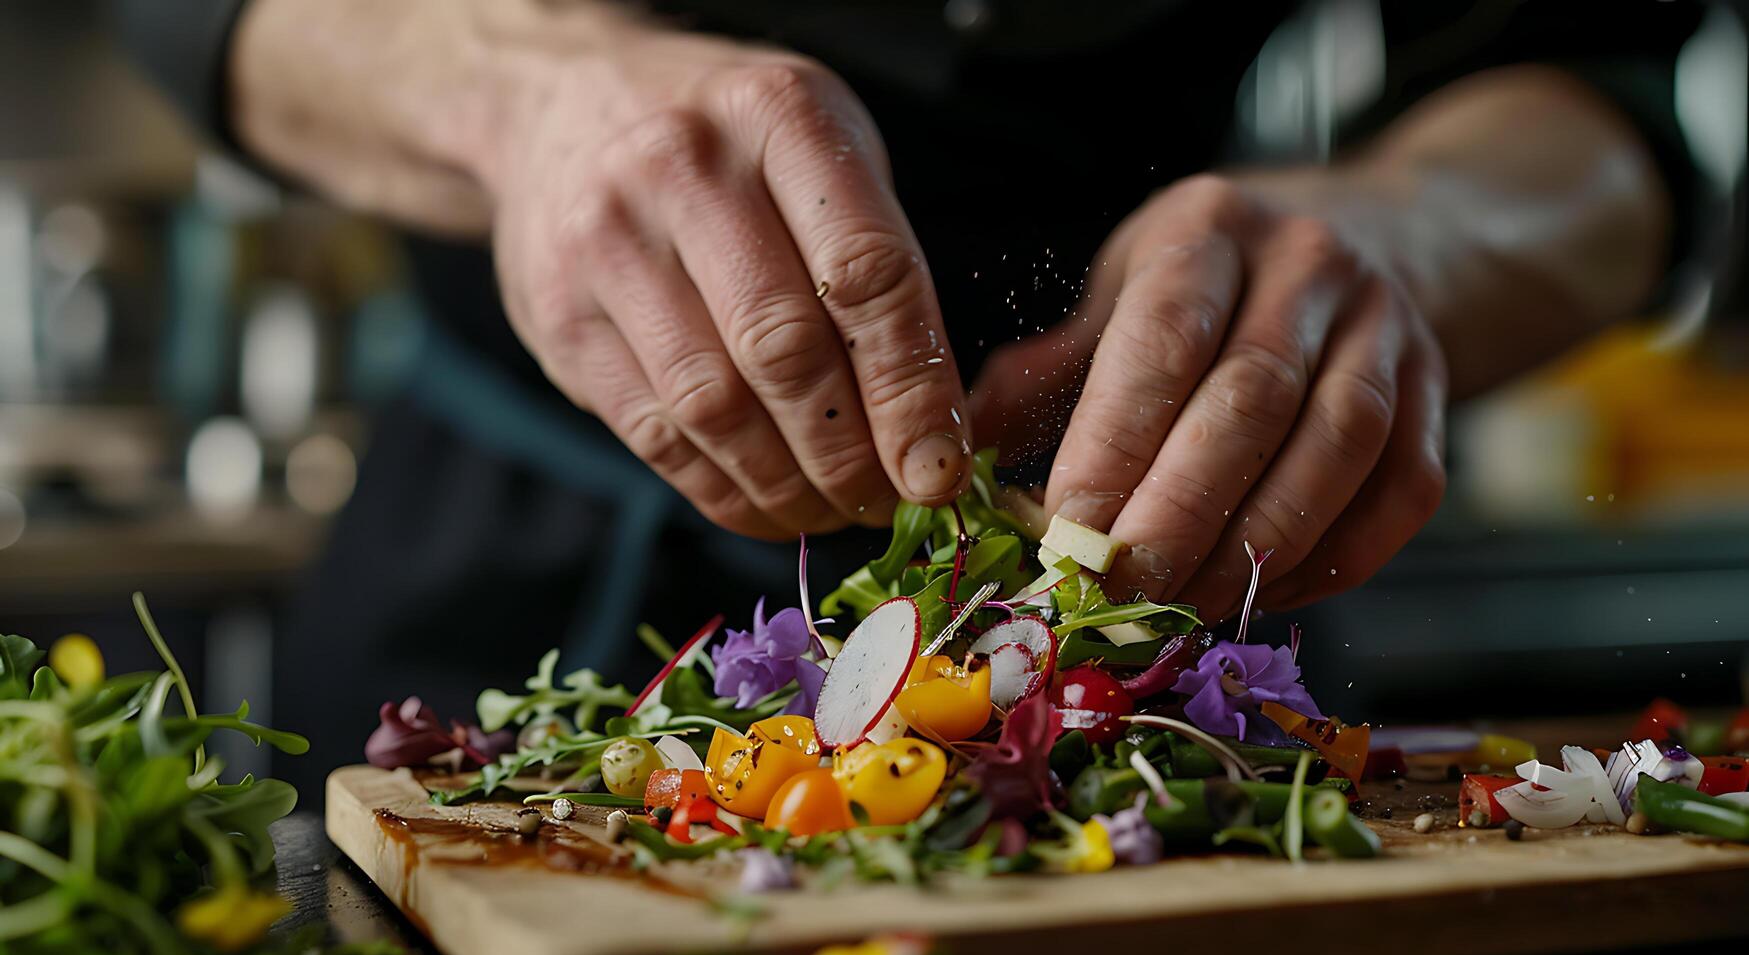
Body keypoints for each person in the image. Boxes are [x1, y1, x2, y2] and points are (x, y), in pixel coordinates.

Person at [116, 0, 1709, 790]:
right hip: (497, 557)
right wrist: (518, 97)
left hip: (1169, 582)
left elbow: (1607, 92)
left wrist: (1402, 239)